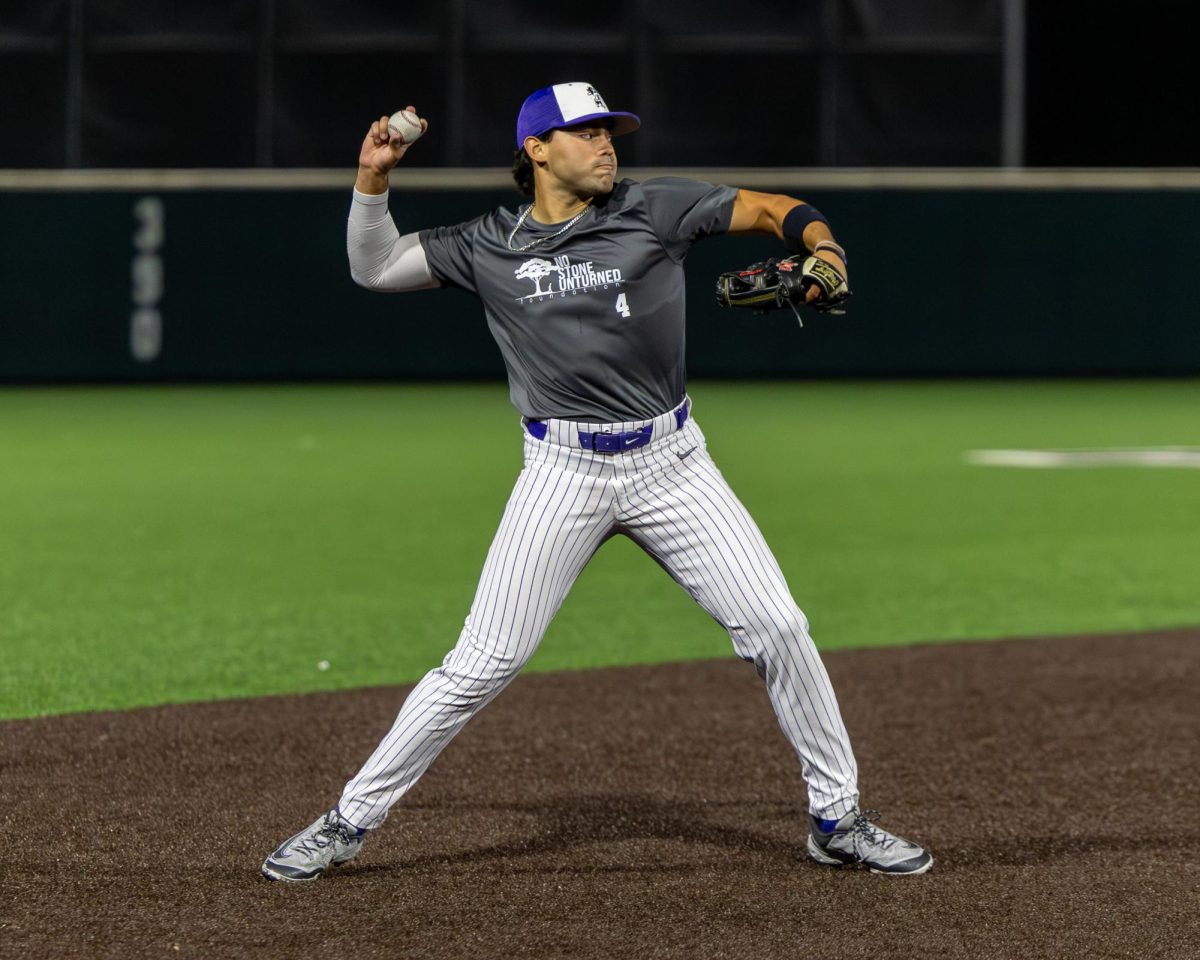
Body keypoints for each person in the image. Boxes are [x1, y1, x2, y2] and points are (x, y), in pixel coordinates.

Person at [261, 82, 932, 881]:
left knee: (780, 628)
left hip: (673, 466)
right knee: (481, 662)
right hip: (561, 471)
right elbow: (373, 268)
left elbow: (772, 207)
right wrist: (373, 178)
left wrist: (825, 247)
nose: (607, 144)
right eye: (586, 132)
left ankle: (838, 818)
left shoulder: (655, 210)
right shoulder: (488, 242)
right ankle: (347, 822)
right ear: (537, 150)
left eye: (611, 131)